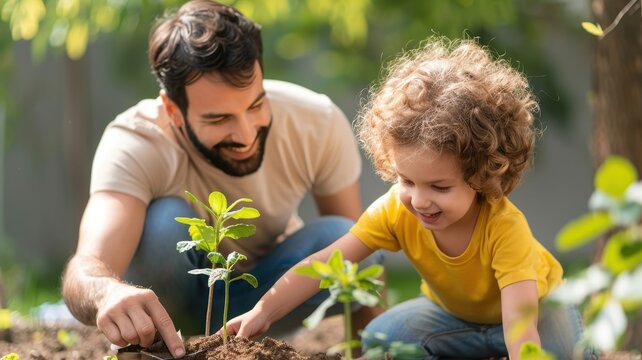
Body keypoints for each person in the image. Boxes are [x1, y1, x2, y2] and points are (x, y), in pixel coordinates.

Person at [226, 37, 594, 359]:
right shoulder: (394, 211)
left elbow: (519, 325)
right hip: (455, 317)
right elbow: (325, 262)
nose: (419, 200)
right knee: (382, 339)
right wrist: (264, 311)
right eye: (406, 180)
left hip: (535, 313)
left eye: (439, 187)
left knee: (561, 353)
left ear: (481, 176)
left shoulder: (504, 229)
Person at [60, 0, 383, 358]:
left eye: (256, 105)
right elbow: (86, 269)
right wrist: (107, 292)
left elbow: (361, 256)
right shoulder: (135, 142)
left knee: (346, 239)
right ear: (173, 110)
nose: (245, 135)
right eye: (218, 119)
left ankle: (236, 346)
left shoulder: (316, 122)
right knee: (164, 223)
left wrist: (374, 349)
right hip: (166, 309)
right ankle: (151, 350)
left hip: (263, 299)